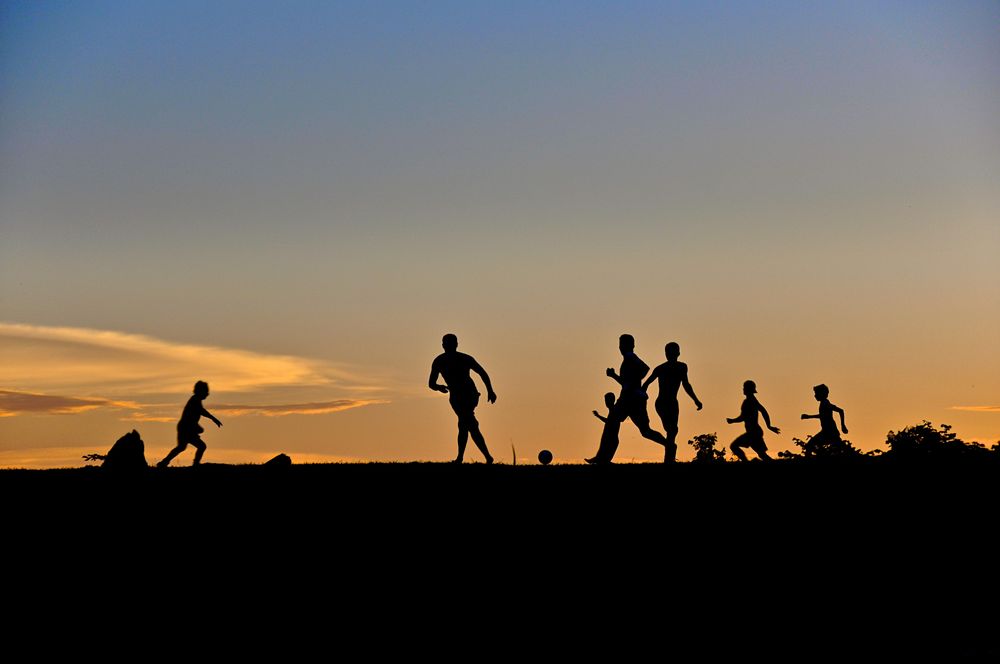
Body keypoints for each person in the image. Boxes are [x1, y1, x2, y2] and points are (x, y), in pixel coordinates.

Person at [587, 334, 669, 463]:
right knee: (644, 431)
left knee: (613, 422)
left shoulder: (630, 357)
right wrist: (619, 377)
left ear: (628, 345)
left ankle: (602, 457)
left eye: (622, 344)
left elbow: (641, 372)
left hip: (630, 398)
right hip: (633, 397)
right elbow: (630, 380)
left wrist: (626, 381)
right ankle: (669, 445)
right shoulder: (628, 359)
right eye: (620, 344)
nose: (620, 347)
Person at [428, 334, 497, 464]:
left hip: (470, 394)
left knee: (468, 423)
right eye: (447, 344)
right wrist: (439, 387)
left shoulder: (464, 358)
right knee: (465, 425)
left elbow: (482, 373)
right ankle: (474, 457)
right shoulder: (439, 361)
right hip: (455, 396)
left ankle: (479, 457)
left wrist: (490, 390)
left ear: (456, 344)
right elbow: (431, 383)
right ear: (443, 345)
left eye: (451, 343)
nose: (449, 346)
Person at [642, 342, 703, 462]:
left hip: (671, 403)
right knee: (671, 429)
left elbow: (686, 384)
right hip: (663, 403)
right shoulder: (661, 368)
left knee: (673, 430)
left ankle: (669, 458)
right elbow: (646, 384)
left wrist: (696, 400)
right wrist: (642, 397)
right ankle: (670, 452)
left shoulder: (681, 367)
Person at [158, 381, 221, 467]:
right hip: (186, 428)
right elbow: (201, 411)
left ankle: (164, 462)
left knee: (182, 447)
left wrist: (198, 428)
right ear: (200, 391)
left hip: (186, 428)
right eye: (206, 392)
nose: (207, 394)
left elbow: (197, 414)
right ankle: (195, 464)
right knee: (199, 446)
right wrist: (213, 419)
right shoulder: (195, 400)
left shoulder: (196, 400)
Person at [727, 380, 779, 461]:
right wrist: (769, 426)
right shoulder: (753, 400)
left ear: (748, 389)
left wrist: (732, 421)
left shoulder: (749, 401)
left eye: (744, 388)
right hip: (754, 432)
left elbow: (743, 417)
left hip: (753, 433)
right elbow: (763, 411)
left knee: (734, 446)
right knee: (762, 455)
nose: (743, 389)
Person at [588, 393, 620, 465]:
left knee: (604, 461)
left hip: (611, 438)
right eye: (605, 401)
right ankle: (595, 460)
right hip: (609, 438)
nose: (606, 403)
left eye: (607, 400)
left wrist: (598, 416)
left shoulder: (614, 410)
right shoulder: (613, 410)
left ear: (612, 401)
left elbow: (609, 422)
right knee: (602, 459)